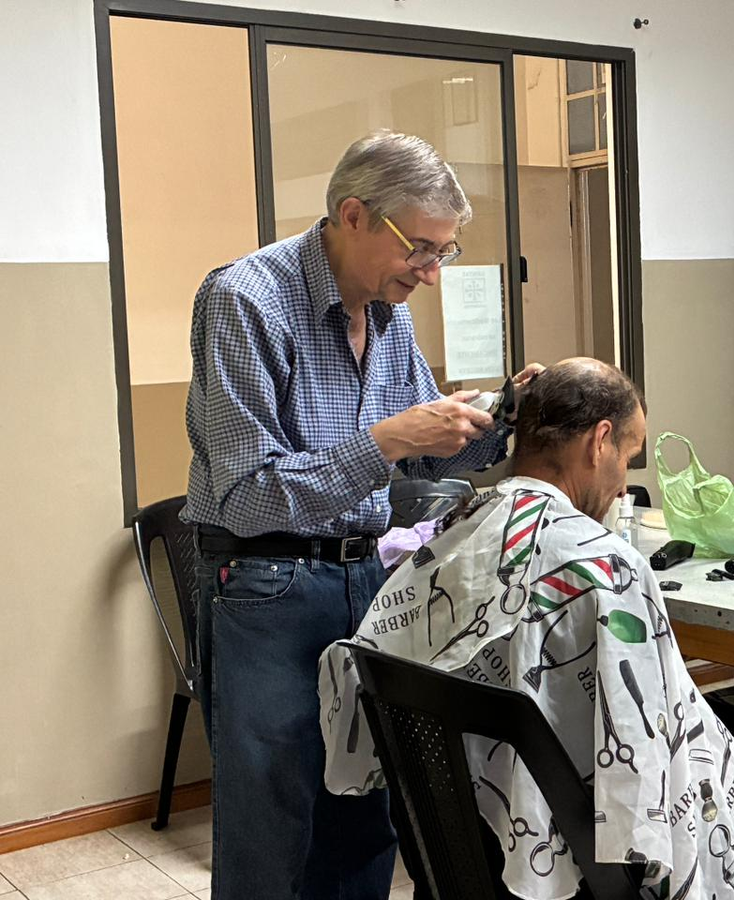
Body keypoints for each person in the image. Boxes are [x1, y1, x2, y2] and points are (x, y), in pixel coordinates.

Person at [183, 130, 541, 900]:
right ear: (354, 214)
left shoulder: (388, 314)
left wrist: (503, 418)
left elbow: (422, 460)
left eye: (444, 253)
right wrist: (383, 440)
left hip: (371, 581)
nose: (433, 274)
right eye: (423, 250)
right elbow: (247, 495)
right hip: (267, 586)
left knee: (366, 806)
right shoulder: (245, 300)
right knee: (272, 821)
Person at [320, 358, 734, 900]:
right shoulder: (611, 569)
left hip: (464, 857)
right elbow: (651, 769)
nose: (623, 482)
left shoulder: (448, 545)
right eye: (628, 456)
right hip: (581, 872)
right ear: (599, 442)